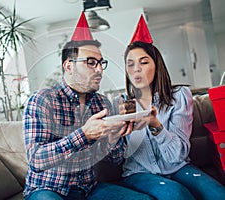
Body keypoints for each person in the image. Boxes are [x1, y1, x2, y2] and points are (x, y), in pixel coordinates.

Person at [23, 12, 153, 200]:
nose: (99, 69)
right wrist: (83, 135)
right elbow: (37, 159)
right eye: (91, 63)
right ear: (69, 66)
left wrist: (115, 136)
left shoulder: (102, 103)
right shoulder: (42, 101)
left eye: (101, 63)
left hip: (88, 189)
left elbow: (115, 159)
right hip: (47, 189)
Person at [118, 15, 225, 200]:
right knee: (177, 195)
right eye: (130, 64)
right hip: (139, 173)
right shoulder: (121, 105)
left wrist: (156, 125)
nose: (136, 69)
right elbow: (116, 152)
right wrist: (117, 134)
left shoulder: (179, 96)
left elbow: (178, 155)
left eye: (143, 62)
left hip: (178, 167)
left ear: (157, 65)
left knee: (218, 194)